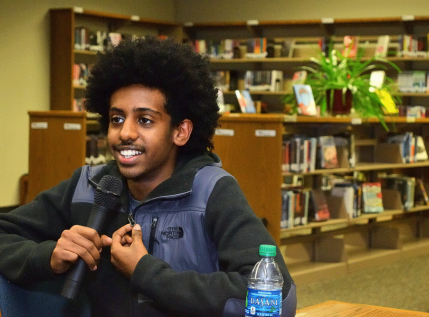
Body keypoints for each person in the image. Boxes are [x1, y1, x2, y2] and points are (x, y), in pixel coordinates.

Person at [0, 37, 297, 316]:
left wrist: (145, 271)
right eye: (117, 118)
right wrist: (48, 256)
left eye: (144, 120)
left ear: (180, 131)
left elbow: (277, 299)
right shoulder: (90, 187)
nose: (125, 133)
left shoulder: (212, 191)